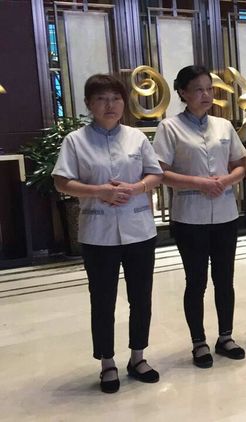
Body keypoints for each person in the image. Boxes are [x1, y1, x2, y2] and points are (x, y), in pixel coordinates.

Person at [52, 74, 163, 393]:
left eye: (115, 98)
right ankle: (107, 362)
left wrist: (136, 187)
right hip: (98, 234)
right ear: (89, 104)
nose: (110, 105)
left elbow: (155, 174)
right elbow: (61, 181)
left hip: (139, 230)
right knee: (102, 300)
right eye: (101, 99)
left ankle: (138, 357)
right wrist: (99, 191)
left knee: (141, 297)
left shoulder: (136, 138)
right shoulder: (76, 141)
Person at [152, 65, 246, 368]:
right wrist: (198, 183)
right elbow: (160, 172)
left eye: (209, 89)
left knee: (225, 279)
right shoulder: (170, 128)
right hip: (189, 217)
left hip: (225, 215)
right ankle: (199, 342)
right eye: (198, 90)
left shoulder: (224, 126)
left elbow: (241, 165)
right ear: (182, 93)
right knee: (196, 281)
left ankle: (226, 337)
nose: (206, 95)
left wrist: (226, 180)